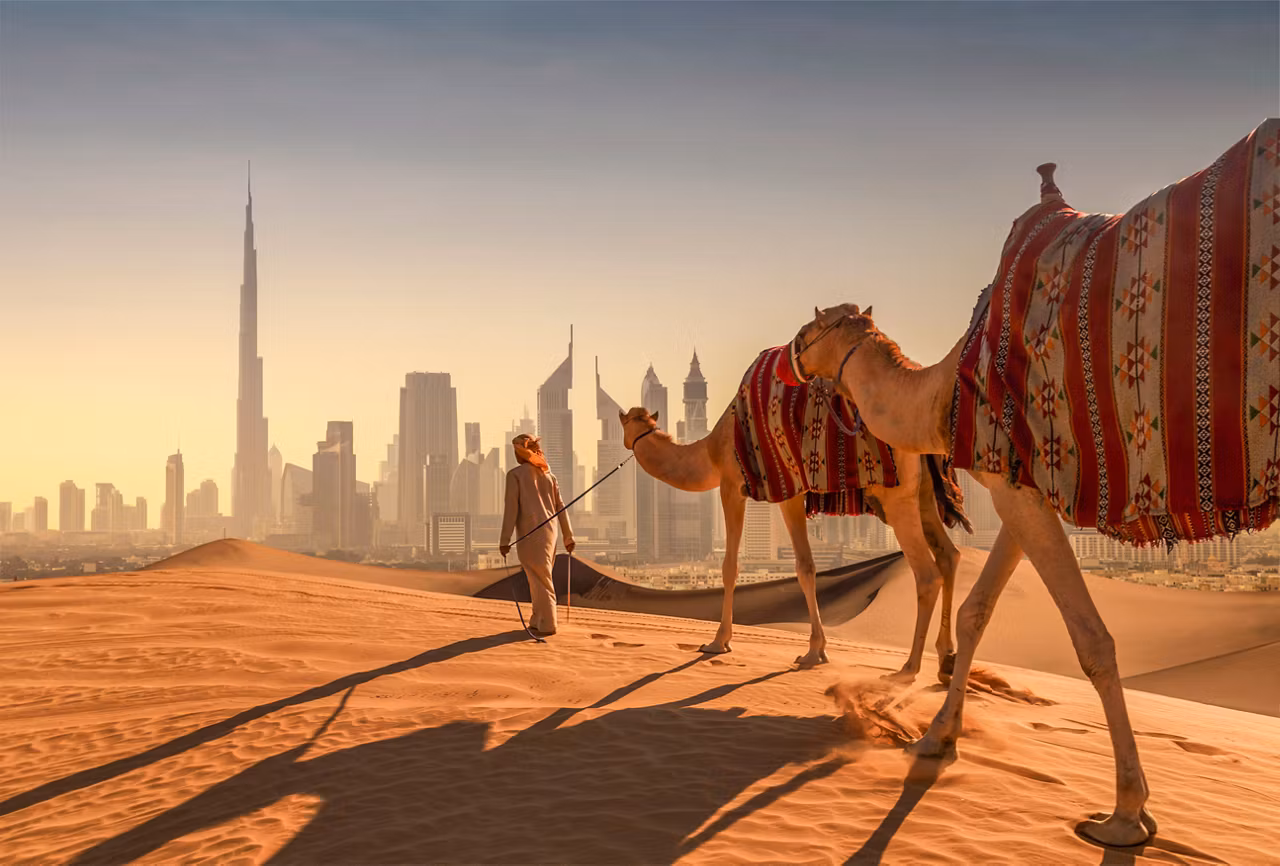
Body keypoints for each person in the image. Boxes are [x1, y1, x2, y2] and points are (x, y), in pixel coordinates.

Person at [499, 433, 575, 636]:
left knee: (540, 579)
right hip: (551, 533)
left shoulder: (515, 475)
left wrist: (505, 540)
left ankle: (548, 623)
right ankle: (538, 618)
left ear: (520, 452)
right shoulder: (549, 476)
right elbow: (561, 508)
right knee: (538, 578)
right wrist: (568, 536)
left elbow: (511, 510)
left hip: (531, 534)